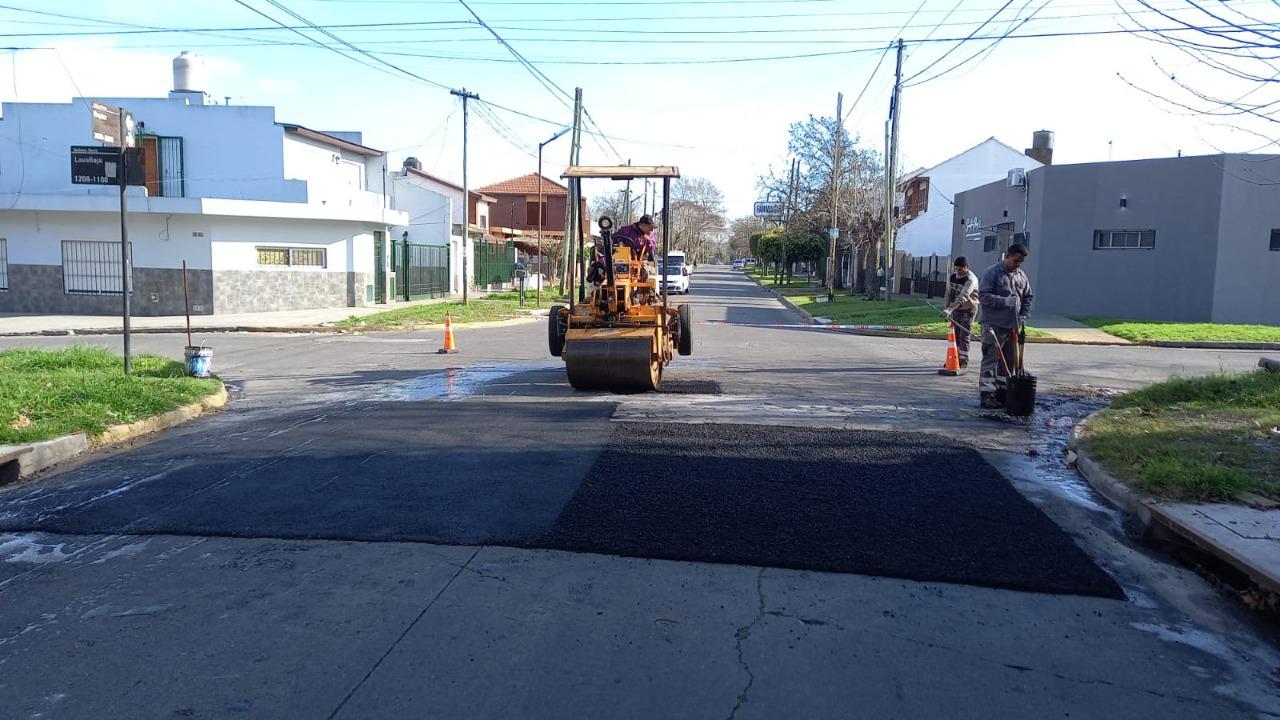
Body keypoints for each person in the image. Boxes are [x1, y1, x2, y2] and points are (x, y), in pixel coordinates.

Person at [977, 243, 1033, 409]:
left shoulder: (1021, 276)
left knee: (1008, 363)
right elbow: (983, 296)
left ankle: (1003, 393)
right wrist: (1004, 301)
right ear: (1007, 256)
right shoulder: (992, 273)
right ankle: (987, 395)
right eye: (1016, 260)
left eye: (1021, 262)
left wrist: (1023, 314)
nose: (1018, 264)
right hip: (994, 325)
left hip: (1012, 326)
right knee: (991, 361)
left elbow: (1028, 296)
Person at [942, 256, 979, 369]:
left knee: (964, 335)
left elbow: (963, 296)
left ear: (966, 268)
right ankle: (954, 358)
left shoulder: (971, 279)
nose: (958, 272)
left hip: (969, 309)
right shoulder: (952, 277)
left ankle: (963, 360)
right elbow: (948, 293)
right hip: (956, 309)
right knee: (956, 334)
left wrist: (950, 309)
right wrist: (946, 308)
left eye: (960, 269)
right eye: (956, 269)